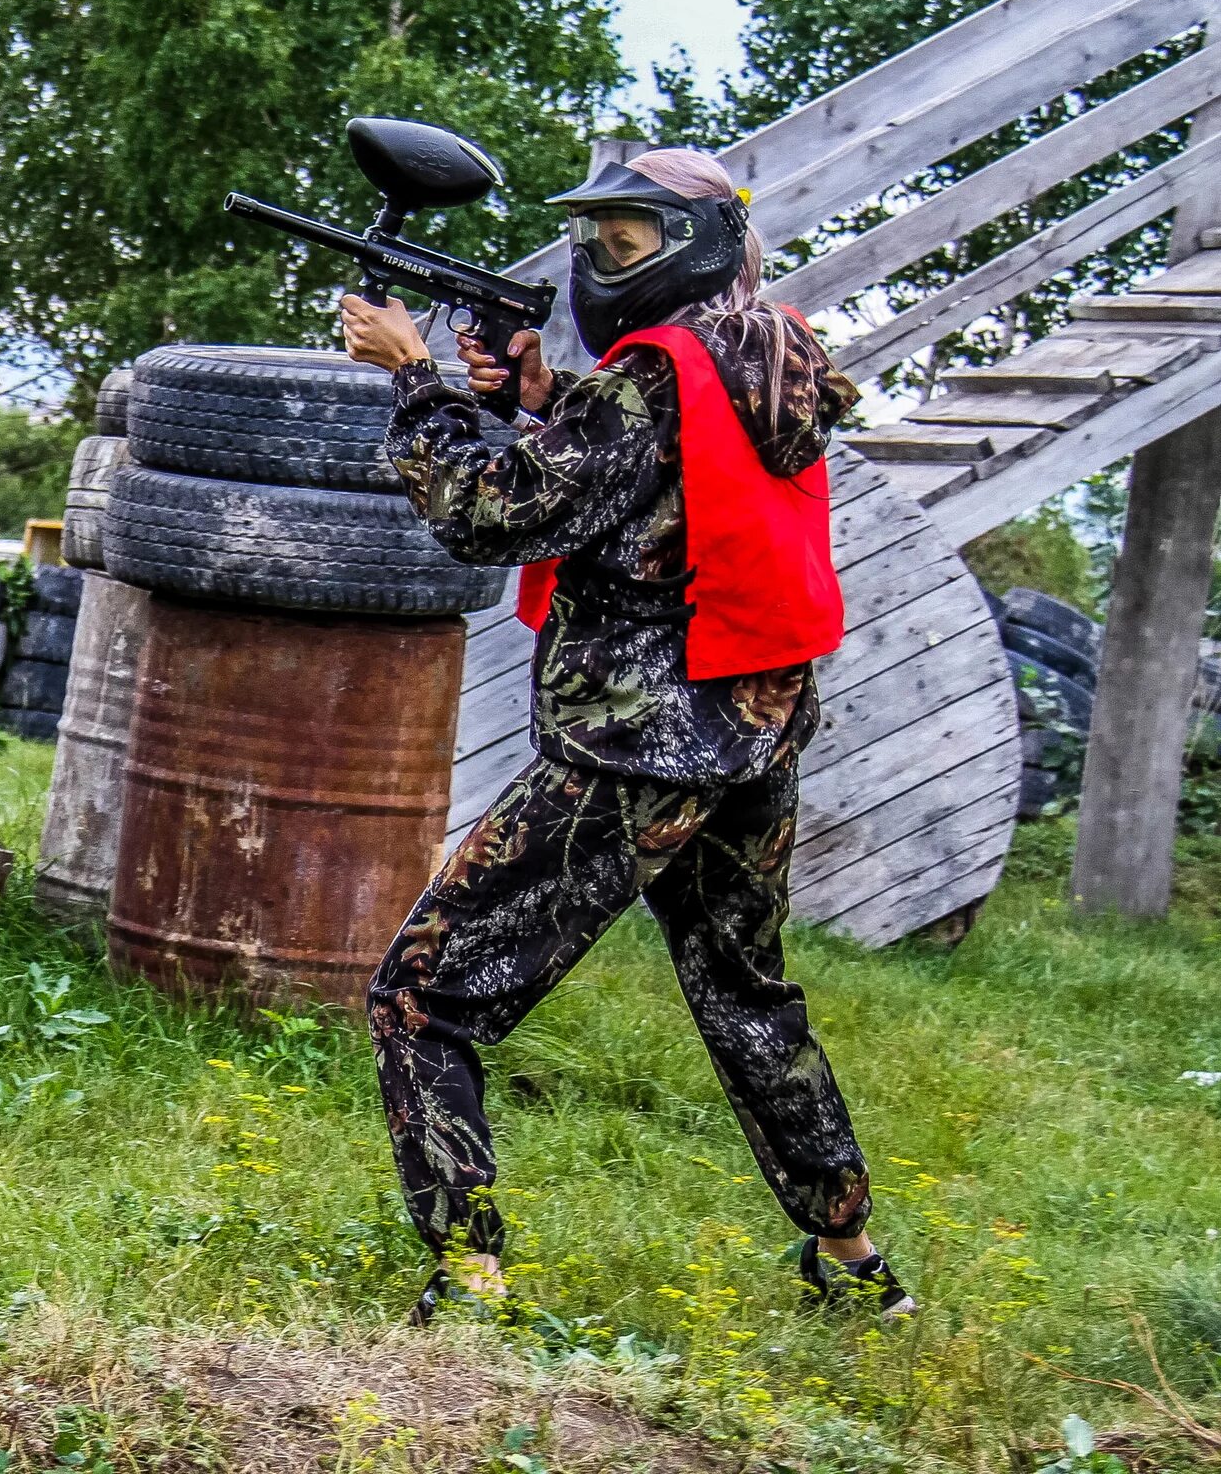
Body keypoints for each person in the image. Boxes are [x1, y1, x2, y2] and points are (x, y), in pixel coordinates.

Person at [338, 147, 917, 1323]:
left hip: (638, 747)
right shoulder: (774, 349)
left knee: (420, 995)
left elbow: (486, 512)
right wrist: (539, 401)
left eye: (629, 239)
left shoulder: (652, 376)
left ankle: (470, 1272)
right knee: (746, 990)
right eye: (596, 238)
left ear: (696, 239)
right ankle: (857, 1265)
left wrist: (416, 380)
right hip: (752, 730)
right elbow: (665, 477)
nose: (605, 261)